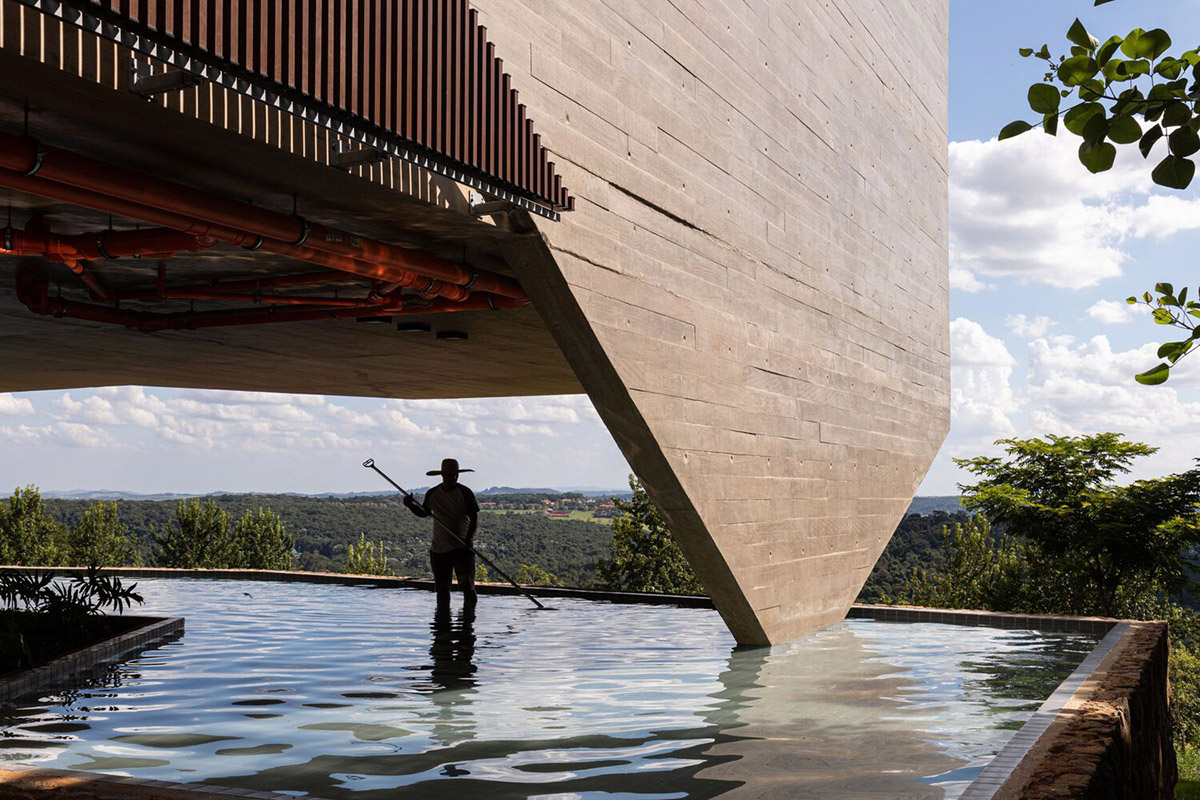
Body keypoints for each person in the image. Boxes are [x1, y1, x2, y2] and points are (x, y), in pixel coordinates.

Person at [404, 457, 480, 610]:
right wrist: (410, 505)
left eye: (455, 475)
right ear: (443, 476)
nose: (453, 478)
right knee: (442, 591)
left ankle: (467, 626)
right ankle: (443, 629)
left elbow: (474, 517)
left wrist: (469, 538)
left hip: (462, 549)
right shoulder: (433, 493)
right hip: (439, 550)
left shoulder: (465, 493)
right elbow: (424, 513)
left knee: (468, 588)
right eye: (449, 475)